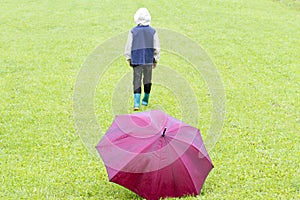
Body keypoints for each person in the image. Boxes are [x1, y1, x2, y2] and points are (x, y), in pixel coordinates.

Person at [124, 8, 160, 111]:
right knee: (147, 79)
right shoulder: (152, 31)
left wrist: (129, 58)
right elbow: (156, 46)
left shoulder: (133, 31)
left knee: (136, 80)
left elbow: (129, 46)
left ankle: (136, 103)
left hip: (136, 59)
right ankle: (145, 99)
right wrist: (155, 59)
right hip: (148, 59)